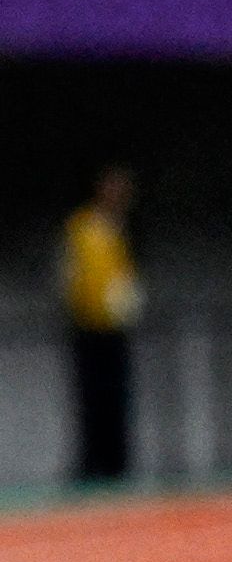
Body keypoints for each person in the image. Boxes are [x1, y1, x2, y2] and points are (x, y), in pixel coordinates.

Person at [62, 166, 142, 486]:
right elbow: (72, 273)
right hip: (88, 325)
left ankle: (116, 462)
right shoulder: (84, 226)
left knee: (117, 394)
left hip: (116, 326)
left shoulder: (122, 228)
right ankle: (91, 461)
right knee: (90, 395)